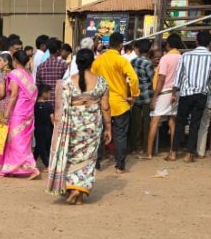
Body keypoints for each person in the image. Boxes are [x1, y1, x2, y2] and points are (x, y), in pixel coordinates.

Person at [47, 47, 112, 204]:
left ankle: (75, 191)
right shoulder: (101, 81)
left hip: (72, 124)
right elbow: (105, 107)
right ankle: (78, 192)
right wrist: (108, 127)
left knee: (71, 156)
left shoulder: (68, 82)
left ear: (77, 62)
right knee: (89, 157)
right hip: (92, 125)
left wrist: (57, 125)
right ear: (92, 62)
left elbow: (60, 107)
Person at [169, 29, 211, 163]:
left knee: (180, 122)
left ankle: (173, 152)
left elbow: (178, 76)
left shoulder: (185, 56)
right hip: (201, 94)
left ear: (196, 41)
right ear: (209, 43)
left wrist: (174, 92)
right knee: (195, 124)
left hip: (185, 93)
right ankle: (188, 154)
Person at [91, 32, 137, 174]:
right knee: (120, 135)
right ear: (121, 45)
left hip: (101, 102)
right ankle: (119, 166)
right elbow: (133, 79)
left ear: (109, 44)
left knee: (98, 132)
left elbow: (92, 77)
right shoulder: (122, 61)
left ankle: (97, 163)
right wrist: (134, 94)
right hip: (120, 103)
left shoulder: (98, 60)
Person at [0, 48, 40, 179]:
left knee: (16, 141)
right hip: (28, 112)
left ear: (14, 60)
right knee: (21, 141)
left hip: (17, 112)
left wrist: (6, 113)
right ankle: (12, 168)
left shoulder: (14, 74)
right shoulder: (28, 74)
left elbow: (13, 96)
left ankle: (31, 168)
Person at [147, 33, 182, 157]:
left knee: (154, 121)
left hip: (164, 92)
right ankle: (173, 152)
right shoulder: (181, 57)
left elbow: (161, 79)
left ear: (168, 45)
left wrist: (154, 97)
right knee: (172, 121)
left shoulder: (165, 58)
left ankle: (149, 153)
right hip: (176, 92)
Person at [129, 39, 154, 154]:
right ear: (148, 50)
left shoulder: (133, 61)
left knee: (135, 121)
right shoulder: (148, 63)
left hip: (135, 94)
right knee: (146, 121)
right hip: (147, 95)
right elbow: (152, 78)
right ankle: (145, 146)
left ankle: (133, 145)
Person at [33, 83, 54, 169]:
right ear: (44, 93)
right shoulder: (48, 106)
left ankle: (32, 161)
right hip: (47, 130)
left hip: (37, 129)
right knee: (44, 148)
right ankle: (48, 165)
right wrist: (56, 127)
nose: (50, 95)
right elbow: (52, 118)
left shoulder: (34, 105)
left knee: (39, 146)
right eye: (49, 93)